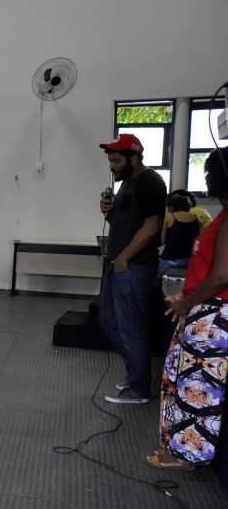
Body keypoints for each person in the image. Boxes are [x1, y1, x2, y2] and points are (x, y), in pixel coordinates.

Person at [154, 148, 228, 469]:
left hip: (213, 317)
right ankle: (178, 448)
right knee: (182, 380)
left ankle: (188, 455)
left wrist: (187, 301)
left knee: (199, 387)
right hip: (203, 311)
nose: (206, 177)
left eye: (210, 172)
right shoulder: (220, 216)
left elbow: (222, 275)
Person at [98, 133, 168, 404]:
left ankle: (139, 389)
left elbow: (151, 227)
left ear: (134, 158)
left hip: (133, 266)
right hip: (118, 263)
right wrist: (107, 210)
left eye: (116, 160)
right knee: (109, 320)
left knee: (131, 327)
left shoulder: (150, 182)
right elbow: (123, 223)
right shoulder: (128, 183)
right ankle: (136, 375)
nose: (112, 166)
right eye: (110, 161)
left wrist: (125, 258)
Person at [159, 193, 201, 277]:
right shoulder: (196, 217)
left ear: (171, 207)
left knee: (157, 279)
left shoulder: (169, 217)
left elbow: (162, 241)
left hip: (169, 260)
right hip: (190, 260)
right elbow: (201, 239)